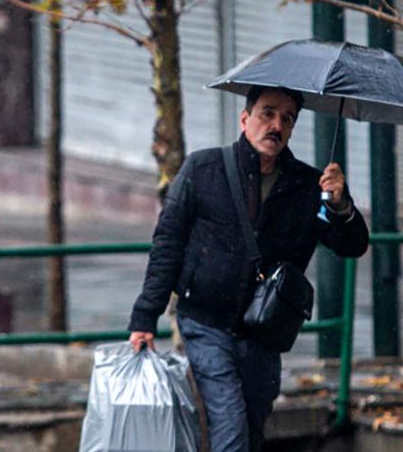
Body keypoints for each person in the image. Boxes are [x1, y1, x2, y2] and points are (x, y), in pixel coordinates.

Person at [127, 86, 369, 452]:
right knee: (231, 425)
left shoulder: (309, 187)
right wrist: (145, 317)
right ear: (245, 119)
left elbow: (352, 245)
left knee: (252, 429)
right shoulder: (203, 168)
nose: (276, 125)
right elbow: (168, 243)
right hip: (206, 321)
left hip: (264, 333)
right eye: (267, 114)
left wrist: (340, 206)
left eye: (287, 119)